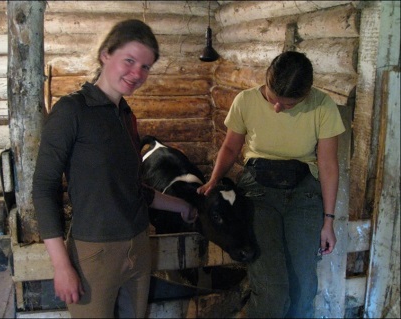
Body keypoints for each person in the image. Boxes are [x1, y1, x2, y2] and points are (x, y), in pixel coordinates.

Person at [32, 19, 197, 318]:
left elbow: (132, 189)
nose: (137, 74)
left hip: (138, 244)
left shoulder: (125, 115)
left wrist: (181, 205)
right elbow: (44, 187)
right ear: (106, 54)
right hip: (95, 253)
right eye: (130, 61)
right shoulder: (72, 111)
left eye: (146, 67)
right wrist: (61, 265)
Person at [197, 51, 345, 318]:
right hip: (257, 191)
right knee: (272, 290)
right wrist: (214, 179)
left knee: (303, 288)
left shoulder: (323, 106)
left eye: (288, 105)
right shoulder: (245, 101)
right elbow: (231, 147)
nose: (277, 108)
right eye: (272, 99)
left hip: (304, 194)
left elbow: (328, 165)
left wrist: (328, 221)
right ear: (266, 80)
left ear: (307, 93)